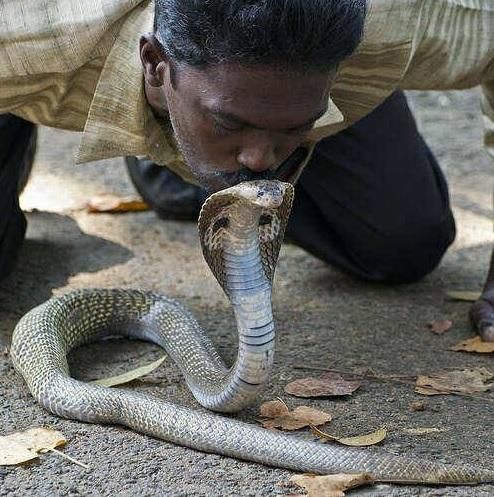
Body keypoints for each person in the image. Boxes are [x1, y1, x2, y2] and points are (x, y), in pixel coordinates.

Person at [1, 0, 493, 339]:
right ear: (154, 63)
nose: (261, 160)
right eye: (229, 124)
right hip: (28, 80)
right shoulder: (26, 34)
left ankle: (192, 157)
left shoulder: (400, 20)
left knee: (400, 244)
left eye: (291, 128)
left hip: (291, 80)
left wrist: (286, 120)